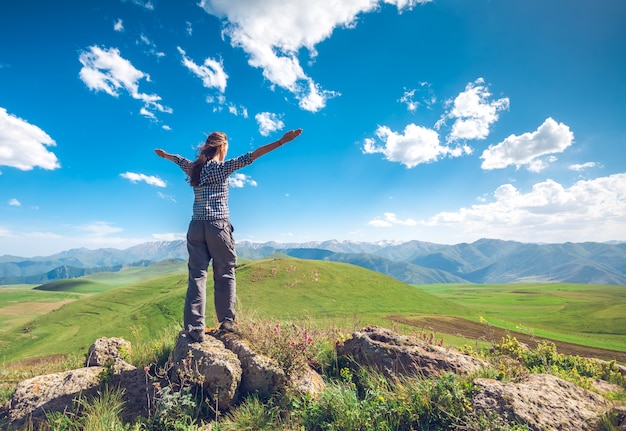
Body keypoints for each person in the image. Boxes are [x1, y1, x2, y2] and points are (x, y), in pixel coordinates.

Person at [155, 128, 303, 342]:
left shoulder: (194, 169)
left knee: (197, 274)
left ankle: (195, 328)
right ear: (222, 147)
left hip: (196, 226)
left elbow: (179, 160)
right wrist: (282, 141)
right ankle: (226, 322)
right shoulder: (223, 168)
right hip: (218, 225)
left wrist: (166, 155)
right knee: (224, 273)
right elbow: (254, 155)